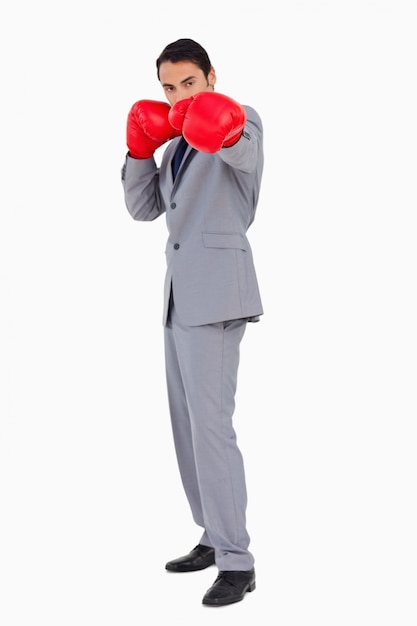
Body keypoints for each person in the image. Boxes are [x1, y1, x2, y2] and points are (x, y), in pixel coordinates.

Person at [121, 38, 264, 606]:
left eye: (188, 83)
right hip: (179, 297)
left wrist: (222, 127)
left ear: (210, 77)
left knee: (212, 429)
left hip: (219, 297)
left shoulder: (242, 120)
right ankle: (212, 534)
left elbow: (243, 155)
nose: (179, 96)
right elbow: (143, 209)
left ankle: (238, 561)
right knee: (186, 427)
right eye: (169, 87)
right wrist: (138, 149)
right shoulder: (174, 141)